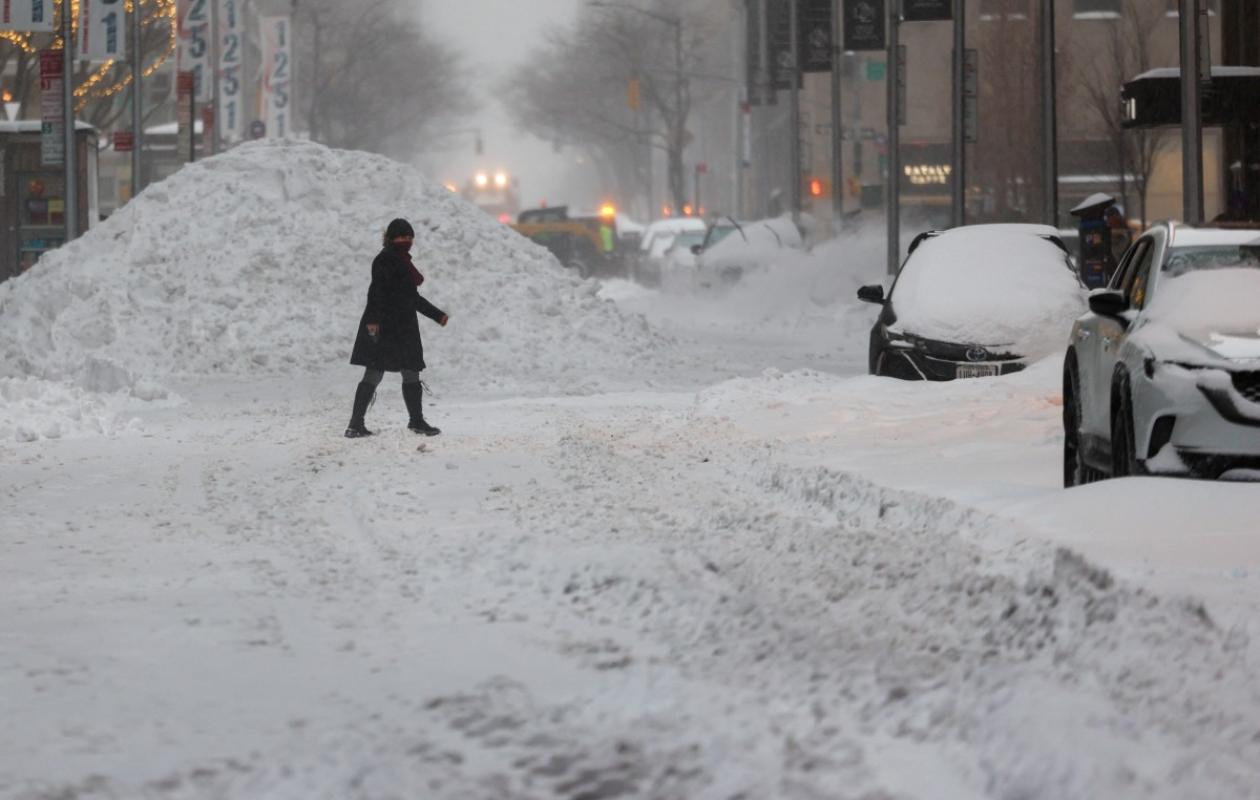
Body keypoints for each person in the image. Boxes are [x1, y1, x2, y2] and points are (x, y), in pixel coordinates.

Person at [345, 218, 449, 438]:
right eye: (403, 237)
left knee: (410, 371)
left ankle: (415, 421)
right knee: (374, 372)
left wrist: (437, 315)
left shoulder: (402, 261)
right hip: (385, 325)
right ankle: (356, 424)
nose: (407, 241)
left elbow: (412, 298)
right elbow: (376, 292)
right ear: (391, 238)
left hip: (403, 325)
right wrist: (373, 323)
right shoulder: (385, 260)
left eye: (410, 237)